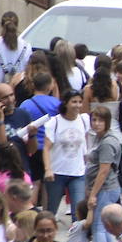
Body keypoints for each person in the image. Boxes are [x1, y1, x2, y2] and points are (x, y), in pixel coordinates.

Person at [83, 105, 122, 242]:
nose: (97, 123)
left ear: (107, 122)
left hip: (105, 189)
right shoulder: (100, 138)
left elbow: (104, 170)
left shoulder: (107, 142)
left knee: (99, 227)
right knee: (104, 228)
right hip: (105, 188)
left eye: (100, 120)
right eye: (94, 119)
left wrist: (93, 194)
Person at [41, 90, 90, 221]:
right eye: (74, 102)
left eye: (80, 102)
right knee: (51, 209)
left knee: (78, 211)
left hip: (78, 172)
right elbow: (46, 148)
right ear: (66, 103)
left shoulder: (85, 120)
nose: (78, 105)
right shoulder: (55, 122)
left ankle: (76, 237)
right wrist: (48, 169)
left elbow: (85, 144)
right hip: (57, 172)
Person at [0, 12, 32, 84]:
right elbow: (28, 71)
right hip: (19, 91)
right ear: (17, 26)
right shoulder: (26, 47)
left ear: (1, 26)